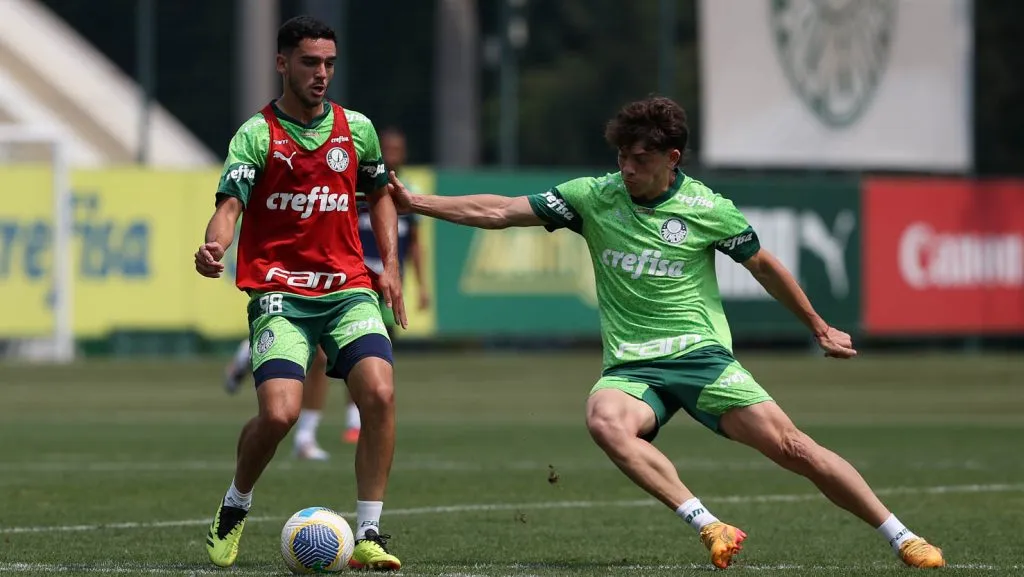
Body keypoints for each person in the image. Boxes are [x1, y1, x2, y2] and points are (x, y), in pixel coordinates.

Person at [385, 96, 945, 569]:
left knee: (795, 448)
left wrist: (819, 326)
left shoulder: (706, 208)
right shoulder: (594, 197)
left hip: (701, 357)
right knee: (605, 421)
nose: (627, 169)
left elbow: (765, 267)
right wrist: (417, 204)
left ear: (671, 159)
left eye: (640, 159)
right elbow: (501, 210)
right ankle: (709, 525)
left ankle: (902, 536)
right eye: (622, 157)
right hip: (632, 367)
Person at [194, 15, 404, 571]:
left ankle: (370, 533)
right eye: (310, 62)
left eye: (329, 63)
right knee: (280, 415)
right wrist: (214, 247)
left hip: (348, 290)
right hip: (278, 293)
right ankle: (235, 505)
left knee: (379, 395)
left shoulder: (356, 128)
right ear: (282, 62)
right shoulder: (257, 134)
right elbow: (229, 206)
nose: (321, 73)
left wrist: (390, 266)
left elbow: (382, 194)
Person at [221, 127, 430, 453]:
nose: (390, 153)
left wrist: (420, 284)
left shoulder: (406, 193)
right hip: (342, 280)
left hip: (382, 283)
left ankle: (352, 421)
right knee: (317, 356)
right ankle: (304, 430)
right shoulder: (352, 183)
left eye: (396, 148)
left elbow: (415, 245)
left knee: (368, 356)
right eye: (386, 147)